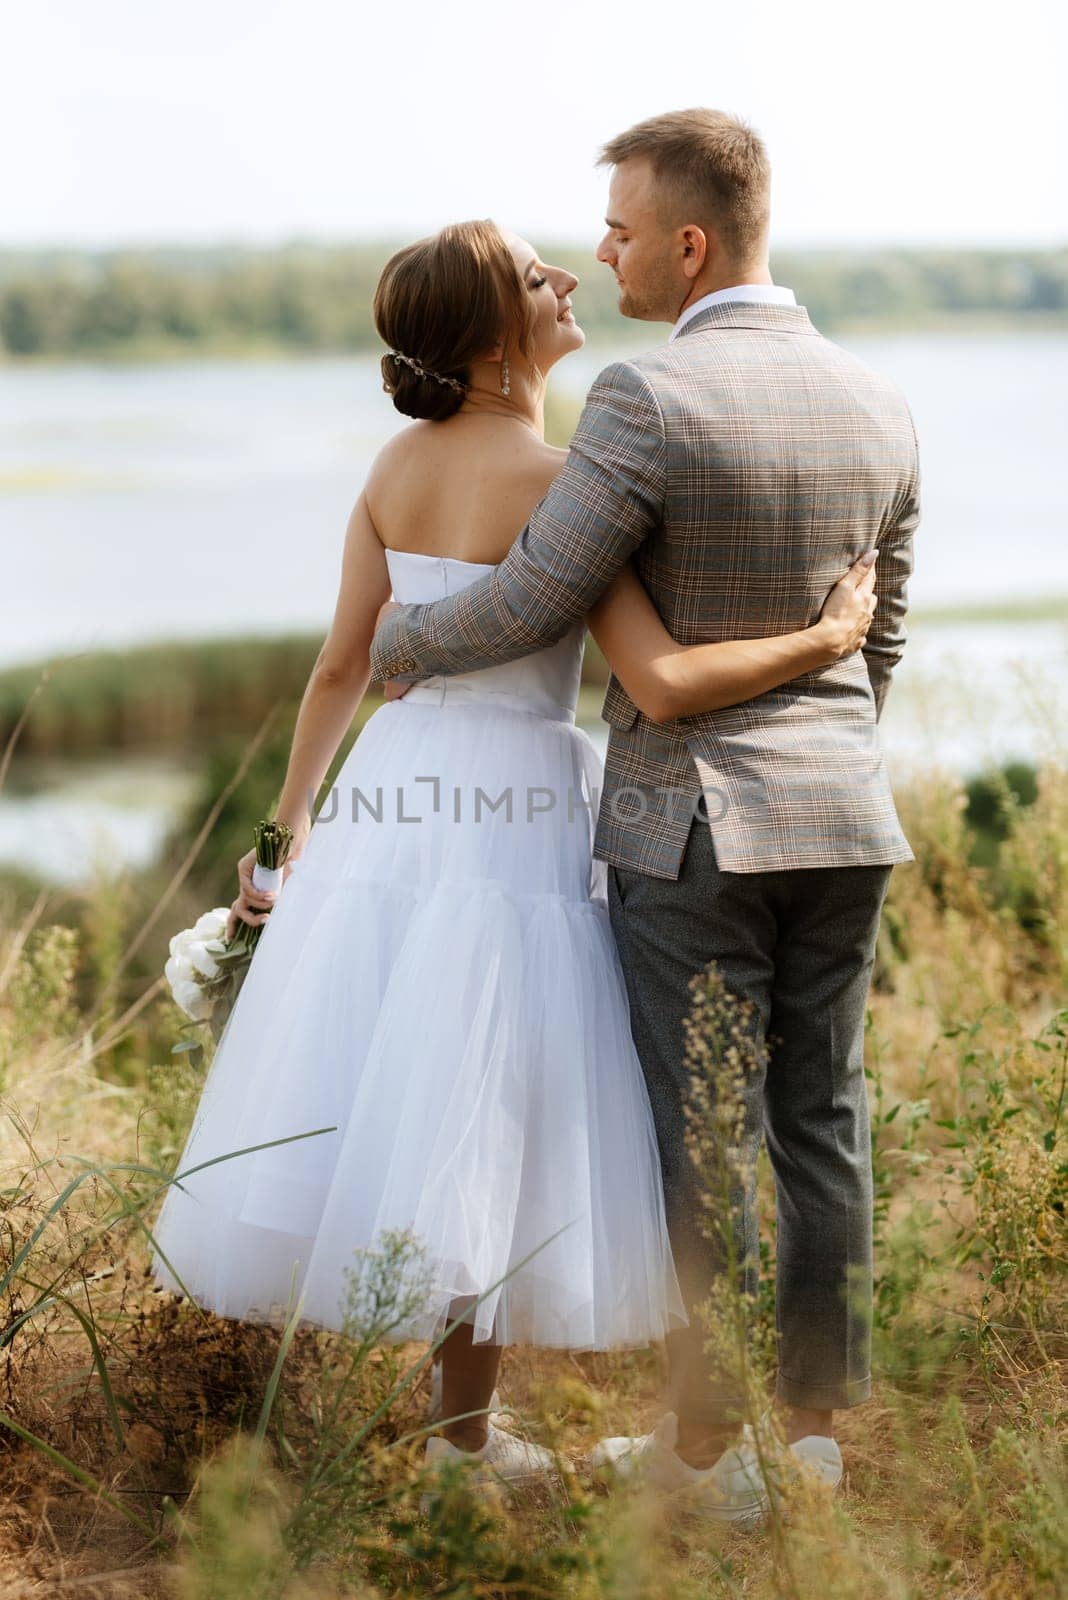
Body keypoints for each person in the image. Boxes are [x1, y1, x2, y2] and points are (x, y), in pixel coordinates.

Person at [150, 211, 878, 1507]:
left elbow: (337, 667)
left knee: (390, 1079)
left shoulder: (390, 466)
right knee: (476, 1103)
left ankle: (423, 1449)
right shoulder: (562, 485)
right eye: (539, 279)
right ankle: (459, 1445)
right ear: (495, 341)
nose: (567, 280)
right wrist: (826, 643)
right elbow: (655, 675)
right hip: (523, 803)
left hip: (393, 798)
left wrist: (286, 837)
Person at [370, 110, 919, 1513]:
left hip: (694, 829)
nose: (600, 252)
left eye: (618, 229)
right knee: (823, 1120)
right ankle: (810, 1449)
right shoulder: (880, 401)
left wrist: (409, 646)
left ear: (689, 243)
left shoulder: (642, 400)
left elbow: (541, 596)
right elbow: (885, 640)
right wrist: (830, 757)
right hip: (845, 815)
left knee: (706, 1138)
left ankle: (707, 1460)